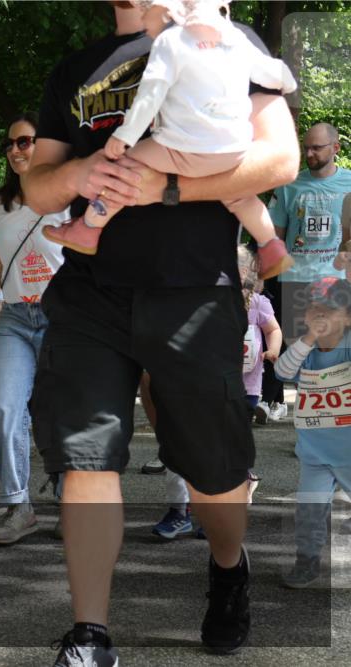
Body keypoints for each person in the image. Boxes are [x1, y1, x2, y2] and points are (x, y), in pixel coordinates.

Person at [23, 0, 299, 662]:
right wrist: (78, 175)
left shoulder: (221, 39)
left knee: (214, 472)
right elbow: (35, 187)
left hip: (194, 294)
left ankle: (229, 567)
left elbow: (280, 159)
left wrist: (165, 187)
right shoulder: (74, 70)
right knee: (86, 456)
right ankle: (90, 634)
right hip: (90, 295)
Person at [44, 0, 295, 282]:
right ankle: (270, 245)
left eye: (146, 14)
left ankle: (89, 228)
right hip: (232, 150)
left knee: (123, 171)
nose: (144, 21)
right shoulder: (232, 37)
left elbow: (149, 98)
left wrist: (123, 137)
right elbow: (269, 71)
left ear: (168, 12)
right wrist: (289, 83)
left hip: (182, 147)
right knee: (238, 195)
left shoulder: (170, 41)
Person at [0, 113, 67, 543]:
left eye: (24, 142)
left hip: (63, 318)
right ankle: (19, 506)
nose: (15, 150)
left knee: (61, 413)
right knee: (3, 409)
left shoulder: (68, 196)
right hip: (16, 318)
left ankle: (69, 496)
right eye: (9, 145)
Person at [151, 246, 279, 540]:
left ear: (244, 273)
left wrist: (272, 350)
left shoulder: (257, 303)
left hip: (242, 388)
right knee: (183, 445)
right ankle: (179, 511)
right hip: (195, 386)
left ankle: (221, 509)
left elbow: (273, 329)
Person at [258, 122, 351, 423]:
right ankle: (308, 424)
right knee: (300, 355)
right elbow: (275, 235)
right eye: (306, 147)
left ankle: (330, 423)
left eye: (317, 147)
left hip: (336, 281)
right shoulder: (289, 185)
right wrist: (261, 275)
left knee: (333, 357)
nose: (309, 153)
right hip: (295, 281)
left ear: (335, 148)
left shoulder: (349, 184)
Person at [274, 277, 351, 588]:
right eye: (313, 309)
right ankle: (307, 560)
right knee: (309, 509)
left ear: (347, 317)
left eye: (329, 310)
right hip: (314, 452)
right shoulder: (303, 349)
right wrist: (307, 340)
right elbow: (282, 372)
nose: (320, 315)